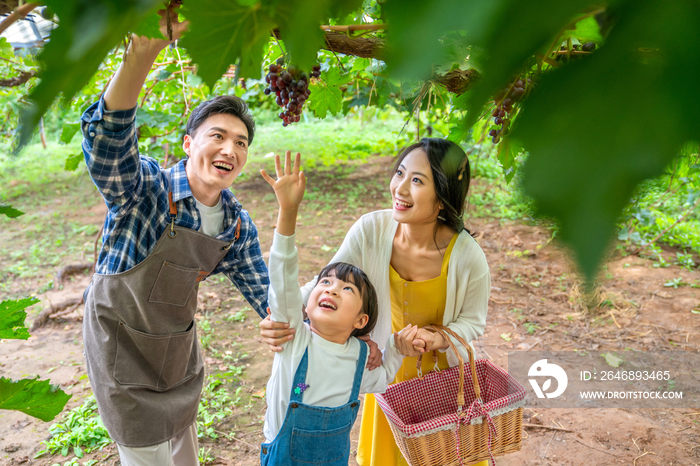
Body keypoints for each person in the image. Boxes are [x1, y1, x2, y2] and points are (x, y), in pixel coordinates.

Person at [80, 7, 269, 466]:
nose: (230, 149)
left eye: (241, 142)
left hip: (176, 358)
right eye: (218, 136)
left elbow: (268, 294)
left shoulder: (234, 224)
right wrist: (141, 57)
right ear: (189, 144)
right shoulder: (145, 191)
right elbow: (108, 146)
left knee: (184, 455)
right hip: (121, 355)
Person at [260, 138, 491, 466]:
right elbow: (323, 282)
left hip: (444, 385)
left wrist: (436, 337)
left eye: (417, 181)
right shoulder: (371, 230)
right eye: (400, 173)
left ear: (442, 199)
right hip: (389, 373)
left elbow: (473, 322)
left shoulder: (468, 257)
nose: (400, 188)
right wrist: (280, 318)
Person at [259, 151, 416, 466]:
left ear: (361, 319)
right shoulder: (295, 338)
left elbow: (381, 380)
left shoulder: (360, 357)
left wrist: (396, 348)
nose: (331, 288)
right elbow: (284, 279)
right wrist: (287, 212)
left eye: (347, 288)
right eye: (325, 283)